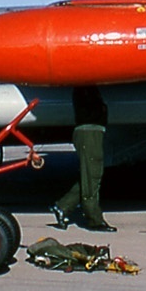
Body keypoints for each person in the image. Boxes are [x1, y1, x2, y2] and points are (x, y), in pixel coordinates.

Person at [50, 86, 113, 232]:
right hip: (89, 131)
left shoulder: (85, 87)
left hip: (92, 131)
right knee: (92, 176)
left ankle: (62, 207)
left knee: (89, 175)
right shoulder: (84, 86)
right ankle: (94, 219)